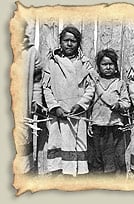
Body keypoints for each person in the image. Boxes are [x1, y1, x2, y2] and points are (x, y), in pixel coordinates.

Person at [42, 26, 94, 176]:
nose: (69, 44)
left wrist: (81, 104)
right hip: (58, 113)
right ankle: (59, 176)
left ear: (78, 43)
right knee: (58, 143)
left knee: (76, 145)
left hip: (77, 113)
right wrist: (55, 107)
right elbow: (46, 88)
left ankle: (75, 177)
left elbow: (91, 88)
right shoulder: (53, 63)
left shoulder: (85, 63)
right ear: (60, 42)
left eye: (73, 41)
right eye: (66, 40)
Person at [88, 48, 131, 174]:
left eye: (111, 64)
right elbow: (89, 104)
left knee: (115, 159)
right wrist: (90, 123)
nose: (108, 67)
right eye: (104, 64)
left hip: (114, 127)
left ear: (116, 66)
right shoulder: (94, 83)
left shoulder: (120, 83)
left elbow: (126, 102)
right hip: (97, 126)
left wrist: (118, 105)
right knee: (97, 158)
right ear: (99, 66)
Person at [14, 23, 43, 174]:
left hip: (22, 107)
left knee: (22, 141)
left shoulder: (31, 52)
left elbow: (37, 81)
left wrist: (36, 101)